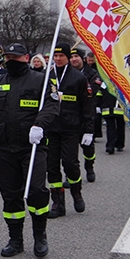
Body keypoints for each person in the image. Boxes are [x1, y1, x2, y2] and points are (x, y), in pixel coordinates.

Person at [0, 43, 60, 258]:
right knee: (10, 196)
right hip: (5, 148)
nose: (11, 60)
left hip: (33, 147)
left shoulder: (42, 80)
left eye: (16, 57)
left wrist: (40, 124)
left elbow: (53, 105)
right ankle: (15, 239)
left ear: (26, 58)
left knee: (37, 191)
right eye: (8, 57)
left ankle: (40, 236)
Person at [45, 42, 93, 218]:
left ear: (67, 57)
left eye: (61, 56)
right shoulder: (47, 76)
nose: (58, 59)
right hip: (51, 128)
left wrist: (88, 130)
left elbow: (87, 106)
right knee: (51, 166)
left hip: (71, 128)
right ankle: (58, 203)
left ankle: (76, 192)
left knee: (70, 163)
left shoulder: (78, 78)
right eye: (55, 56)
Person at [70, 48, 100, 182]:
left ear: (82, 58)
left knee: (87, 147)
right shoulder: (65, 73)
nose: (73, 59)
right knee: (69, 149)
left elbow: (91, 90)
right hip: (69, 115)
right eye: (71, 57)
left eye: (76, 56)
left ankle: (89, 167)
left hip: (86, 115)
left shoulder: (92, 73)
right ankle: (71, 173)